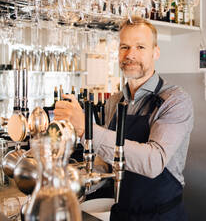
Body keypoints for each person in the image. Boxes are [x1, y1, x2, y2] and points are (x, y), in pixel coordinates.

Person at [54, 17, 194, 221]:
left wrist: (86, 128)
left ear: (156, 52)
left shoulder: (175, 100)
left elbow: (153, 162)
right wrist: (73, 179)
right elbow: (107, 163)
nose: (130, 54)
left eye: (140, 47)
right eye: (124, 47)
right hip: (121, 212)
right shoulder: (114, 101)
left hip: (161, 215)